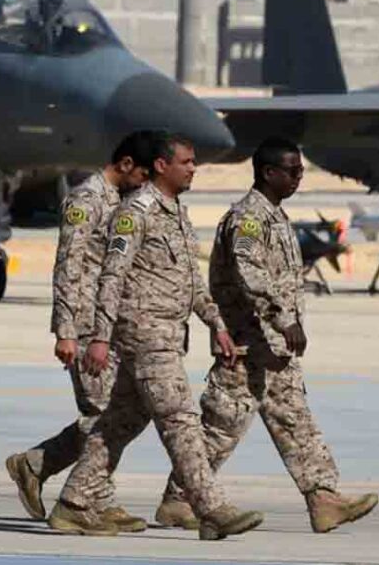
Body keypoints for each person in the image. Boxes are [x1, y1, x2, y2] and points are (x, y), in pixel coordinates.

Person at [156, 137, 378, 534]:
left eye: (301, 171)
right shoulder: (248, 219)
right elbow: (250, 274)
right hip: (247, 344)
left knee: (295, 421)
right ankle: (179, 499)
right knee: (221, 428)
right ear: (268, 173)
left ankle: (323, 498)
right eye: (292, 171)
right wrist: (283, 319)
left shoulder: (275, 217)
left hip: (272, 348)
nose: (298, 178)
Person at [49, 132, 264, 540]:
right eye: (186, 162)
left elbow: (190, 281)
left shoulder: (176, 214)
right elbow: (111, 274)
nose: (193, 168)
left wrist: (215, 323)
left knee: (120, 421)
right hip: (143, 334)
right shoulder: (136, 213)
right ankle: (210, 508)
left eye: (194, 162)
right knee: (180, 420)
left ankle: (74, 503)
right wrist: (98, 336)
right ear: (162, 166)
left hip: (167, 332)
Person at [5, 132, 154, 533]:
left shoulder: (122, 203)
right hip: (85, 325)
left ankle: (38, 464)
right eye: (141, 173)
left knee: (127, 411)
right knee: (101, 414)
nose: (144, 183)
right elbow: (67, 266)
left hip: (110, 324)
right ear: (124, 165)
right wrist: (66, 331)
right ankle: (92, 500)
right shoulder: (86, 200)